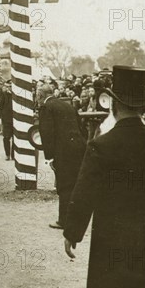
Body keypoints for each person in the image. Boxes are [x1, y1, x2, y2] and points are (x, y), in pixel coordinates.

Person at [64, 66, 145, 288]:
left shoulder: (103, 145)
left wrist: (72, 231)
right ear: (141, 106)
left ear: (113, 104)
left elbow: (85, 192)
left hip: (113, 236)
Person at [37, 84, 86, 229]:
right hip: (78, 147)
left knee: (64, 185)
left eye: (37, 96)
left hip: (63, 152)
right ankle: (77, 218)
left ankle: (63, 221)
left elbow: (46, 132)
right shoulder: (67, 105)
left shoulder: (47, 108)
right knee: (75, 183)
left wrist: (50, 157)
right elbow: (80, 126)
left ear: (41, 95)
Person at [0, 80, 14, 161]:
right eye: (8, 86)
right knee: (6, 138)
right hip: (6, 120)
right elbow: (0, 106)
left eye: (11, 86)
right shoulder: (4, 95)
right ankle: (7, 154)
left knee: (15, 138)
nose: (9, 88)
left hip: (15, 120)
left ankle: (14, 155)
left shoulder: (17, 95)